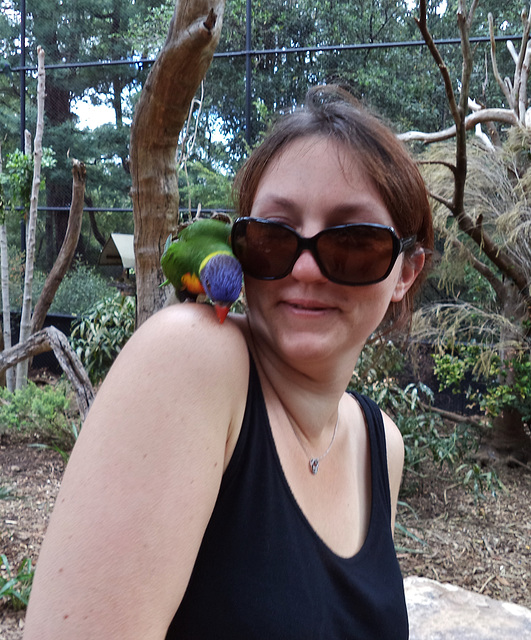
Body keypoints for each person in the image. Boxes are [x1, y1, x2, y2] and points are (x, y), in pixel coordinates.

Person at [23, 85, 433, 639]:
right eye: (272, 237)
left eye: (353, 242)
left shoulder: (382, 445)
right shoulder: (192, 356)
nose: (304, 270)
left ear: (405, 273)